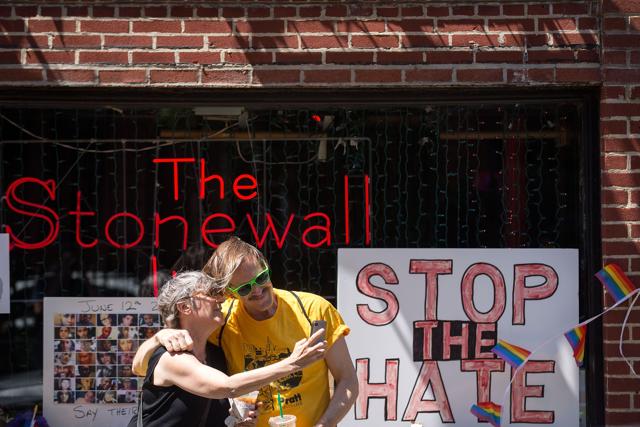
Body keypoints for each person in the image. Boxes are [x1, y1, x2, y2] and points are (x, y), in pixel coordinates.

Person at [133, 237, 358, 427]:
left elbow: (347, 379)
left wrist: (324, 425)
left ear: (266, 266)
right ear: (230, 292)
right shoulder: (223, 321)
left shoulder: (313, 309)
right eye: (244, 288)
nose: (258, 290)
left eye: (261, 278)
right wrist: (159, 336)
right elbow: (142, 367)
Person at [129, 271, 326, 427]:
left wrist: (240, 421)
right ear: (185, 307)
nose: (222, 300)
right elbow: (227, 387)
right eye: (211, 294)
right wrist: (293, 363)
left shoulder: (216, 353)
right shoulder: (172, 356)